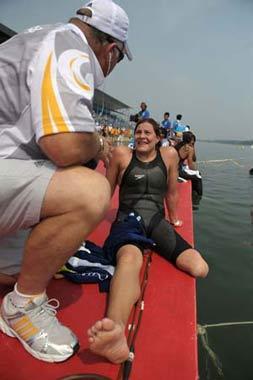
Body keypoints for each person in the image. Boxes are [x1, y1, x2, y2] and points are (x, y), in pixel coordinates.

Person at [0, 0, 132, 363]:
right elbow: (65, 145)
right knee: (90, 191)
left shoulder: (33, 38)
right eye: (117, 60)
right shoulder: (70, 49)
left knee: (16, 268)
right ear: (111, 50)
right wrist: (98, 143)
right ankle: (22, 308)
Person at [87, 118, 209, 364]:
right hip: (127, 221)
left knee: (199, 267)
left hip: (156, 222)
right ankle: (115, 330)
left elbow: (172, 191)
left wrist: (174, 219)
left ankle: (116, 329)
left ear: (157, 137)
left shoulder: (169, 157)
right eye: (138, 132)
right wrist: (90, 221)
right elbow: (105, 190)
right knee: (130, 259)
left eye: (147, 132)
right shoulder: (122, 154)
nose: (142, 136)